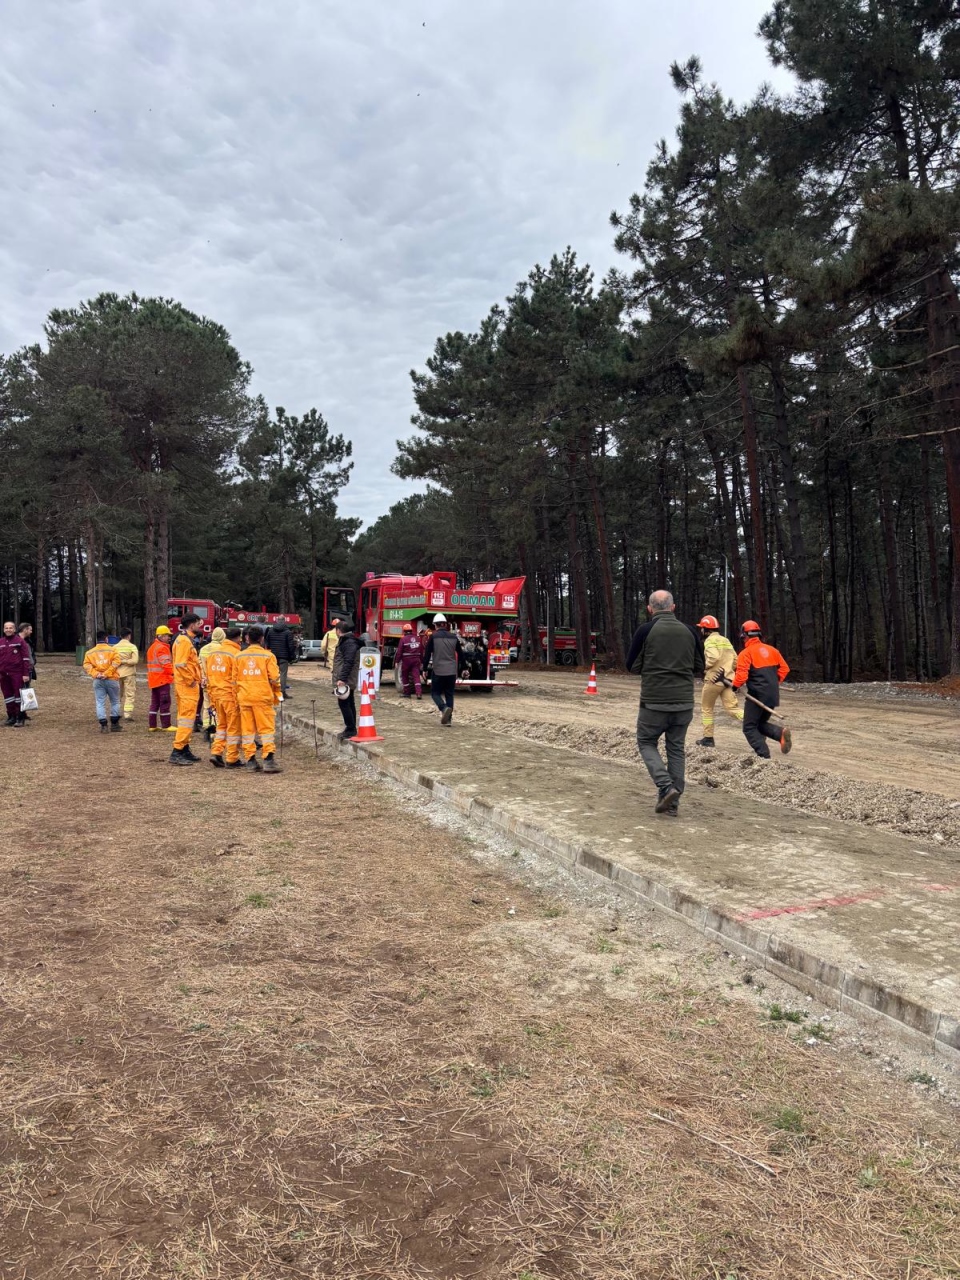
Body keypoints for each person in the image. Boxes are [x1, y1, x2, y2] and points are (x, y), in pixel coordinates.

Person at [626, 590, 705, 817]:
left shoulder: (645, 630)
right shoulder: (690, 631)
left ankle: (665, 786)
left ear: (650, 609)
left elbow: (631, 665)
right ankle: (672, 804)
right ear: (673, 607)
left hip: (654, 703)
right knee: (676, 749)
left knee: (646, 742)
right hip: (683, 703)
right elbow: (700, 665)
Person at [722, 620, 792, 758]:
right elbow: (785, 669)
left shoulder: (746, 653)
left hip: (757, 696)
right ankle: (779, 734)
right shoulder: (773, 650)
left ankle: (764, 755)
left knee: (749, 727)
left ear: (744, 636)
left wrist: (735, 687)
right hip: (772, 694)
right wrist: (773, 682)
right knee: (759, 723)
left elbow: (741, 676)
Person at [233, 624, 282, 772]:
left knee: (248, 730)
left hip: (244, 697)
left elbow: (234, 680)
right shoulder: (268, 656)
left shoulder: (239, 656)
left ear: (247, 639)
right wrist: (277, 693)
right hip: (262, 697)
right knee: (266, 729)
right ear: (261, 639)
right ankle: (268, 760)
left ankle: (250, 760)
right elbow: (275, 678)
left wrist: (237, 697)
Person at [695, 614, 743, 748]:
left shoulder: (710, 640)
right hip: (727, 679)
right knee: (732, 708)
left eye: (702, 628)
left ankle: (708, 738)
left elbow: (713, 657)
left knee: (707, 708)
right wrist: (729, 670)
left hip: (714, 680)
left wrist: (704, 667)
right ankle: (754, 724)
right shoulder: (725, 640)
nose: (701, 630)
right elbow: (735, 659)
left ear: (706, 629)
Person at [206, 626, 243, 768]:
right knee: (233, 728)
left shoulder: (213, 654)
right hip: (230, 696)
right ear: (238, 638)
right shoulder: (236, 654)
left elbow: (209, 677)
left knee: (221, 726)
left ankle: (216, 752)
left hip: (217, 695)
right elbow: (237, 679)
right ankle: (232, 758)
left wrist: (211, 697)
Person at [170, 614, 204, 766]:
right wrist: (191, 680)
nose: (199, 626)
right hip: (186, 686)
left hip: (185, 685)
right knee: (187, 718)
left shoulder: (183, 639)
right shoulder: (184, 641)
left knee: (186, 718)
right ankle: (177, 751)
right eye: (198, 624)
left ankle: (184, 748)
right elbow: (181, 664)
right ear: (192, 625)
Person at [422, 613, 462, 726]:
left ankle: (444, 708)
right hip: (451, 671)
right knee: (449, 694)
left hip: (438, 670)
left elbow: (427, 654)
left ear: (435, 625)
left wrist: (424, 669)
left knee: (435, 693)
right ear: (445, 624)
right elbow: (461, 653)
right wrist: (464, 668)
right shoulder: (454, 637)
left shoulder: (433, 637)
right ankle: (448, 720)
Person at [82, 631, 123, 733]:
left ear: (97, 639)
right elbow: (116, 662)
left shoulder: (90, 652)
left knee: (100, 702)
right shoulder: (113, 650)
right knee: (115, 701)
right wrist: (107, 673)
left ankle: (103, 725)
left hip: (98, 680)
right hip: (112, 679)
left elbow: (86, 665)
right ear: (106, 639)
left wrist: (96, 674)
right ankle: (115, 724)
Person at [331, 618, 361, 740]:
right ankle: (351, 727)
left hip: (346, 678)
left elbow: (348, 662)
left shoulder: (348, 643)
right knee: (349, 702)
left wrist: (342, 678)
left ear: (338, 630)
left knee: (344, 703)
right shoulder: (349, 641)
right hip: (347, 677)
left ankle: (350, 729)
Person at [0, 621, 31, 727]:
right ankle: (11, 717)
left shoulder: (20, 641)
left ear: (14, 629)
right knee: (8, 696)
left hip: (17, 673)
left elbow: (26, 659)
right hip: (3, 674)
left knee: (18, 696)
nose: (8, 630)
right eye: (6, 628)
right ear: (3, 629)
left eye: (10, 628)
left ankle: (20, 718)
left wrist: (25, 674)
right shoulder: (1, 642)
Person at [146, 626, 175, 731]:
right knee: (165, 702)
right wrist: (174, 673)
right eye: (167, 635)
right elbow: (166, 664)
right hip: (162, 680)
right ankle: (166, 725)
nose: (169, 638)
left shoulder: (152, 647)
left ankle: (152, 725)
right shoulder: (162, 648)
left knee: (155, 703)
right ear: (161, 636)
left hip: (154, 681)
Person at [264, 619, 298, 697]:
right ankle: (282, 692)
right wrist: (292, 656)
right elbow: (290, 646)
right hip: (284, 656)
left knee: (272, 674)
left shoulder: (270, 631)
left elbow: (267, 643)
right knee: (283, 674)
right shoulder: (288, 632)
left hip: (272, 656)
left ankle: (272, 691)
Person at [113, 628, 139, 722]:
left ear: (120, 636)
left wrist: (120, 662)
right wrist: (125, 661)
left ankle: (115, 713)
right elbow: (135, 661)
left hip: (117, 673)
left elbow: (112, 661)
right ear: (129, 636)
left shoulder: (114, 647)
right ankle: (127, 714)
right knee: (130, 694)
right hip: (129, 673)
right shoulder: (132, 647)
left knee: (117, 695)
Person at [396, 623, 423, 698]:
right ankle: (419, 693)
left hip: (406, 661)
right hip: (416, 659)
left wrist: (397, 661)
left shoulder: (403, 639)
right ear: (411, 630)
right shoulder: (418, 639)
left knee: (404, 676)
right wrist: (422, 661)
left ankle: (407, 693)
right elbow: (421, 651)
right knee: (416, 676)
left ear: (404, 631)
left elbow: (399, 652)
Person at [16, 623, 35, 724]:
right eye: (30, 630)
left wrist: (33, 663)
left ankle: (23, 712)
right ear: (25, 630)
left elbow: (30, 654)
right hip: (21, 670)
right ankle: (18, 715)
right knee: (20, 692)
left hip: (29, 669)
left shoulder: (28, 641)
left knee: (25, 691)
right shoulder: (16, 641)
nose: (31, 632)